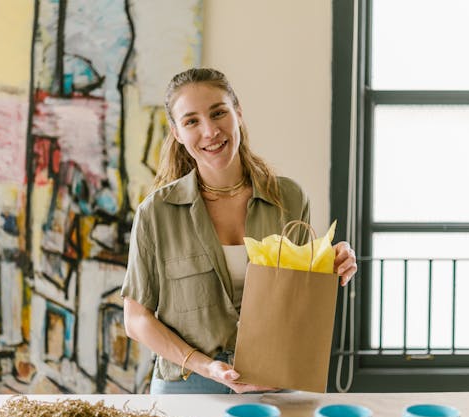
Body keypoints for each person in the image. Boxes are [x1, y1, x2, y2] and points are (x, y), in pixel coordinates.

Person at [121, 68, 357, 394]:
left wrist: (331, 266)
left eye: (218, 113)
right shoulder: (155, 214)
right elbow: (136, 319)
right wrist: (207, 367)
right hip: (187, 387)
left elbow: (299, 296)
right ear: (176, 132)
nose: (210, 130)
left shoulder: (289, 198)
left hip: (275, 379)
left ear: (238, 113)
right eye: (191, 121)